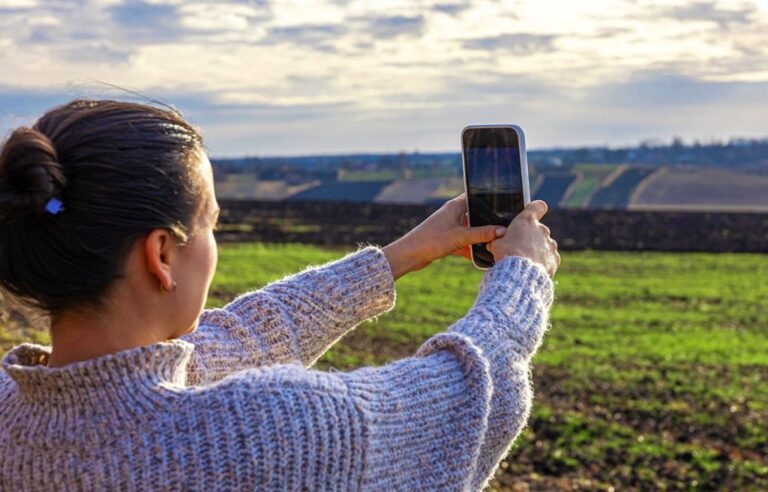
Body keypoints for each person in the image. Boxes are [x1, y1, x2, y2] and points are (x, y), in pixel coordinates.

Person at [0, 100, 559, 491]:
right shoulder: (266, 433)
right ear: (162, 255)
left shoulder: (11, 412)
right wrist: (522, 280)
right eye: (212, 224)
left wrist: (403, 254)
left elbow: (241, 337)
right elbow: (465, 397)